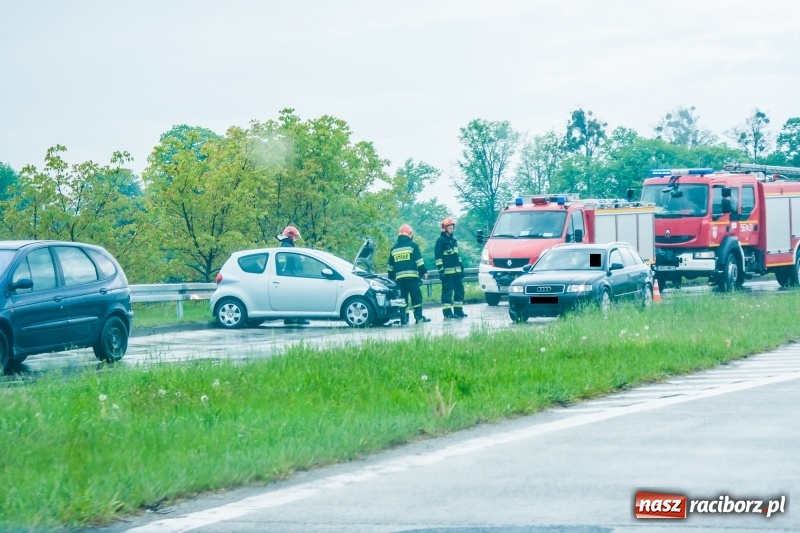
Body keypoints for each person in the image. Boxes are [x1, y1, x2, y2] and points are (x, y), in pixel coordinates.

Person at [387, 224, 431, 324]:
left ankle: (404, 319)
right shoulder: (413, 246)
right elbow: (419, 262)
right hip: (412, 279)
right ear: (410, 234)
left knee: (403, 300)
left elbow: (390, 266)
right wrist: (424, 272)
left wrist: (391, 277)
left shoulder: (394, 249)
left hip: (400, 280)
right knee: (416, 298)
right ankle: (418, 318)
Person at [276, 225, 309, 326]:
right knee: (299, 298)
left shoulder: (285, 246)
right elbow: (294, 265)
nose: (295, 240)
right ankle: (300, 318)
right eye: (295, 237)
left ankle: (289, 318)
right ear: (291, 236)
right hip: (292, 276)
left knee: (290, 298)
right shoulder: (288, 248)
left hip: (287, 276)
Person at [435, 217, 467, 319]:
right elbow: (438, 257)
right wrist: (441, 271)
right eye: (450, 227)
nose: (452, 229)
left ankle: (458, 311)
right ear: (445, 228)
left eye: (452, 227)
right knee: (447, 293)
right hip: (447, 274)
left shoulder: (453, 241)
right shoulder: (440, 241)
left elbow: (457, 256)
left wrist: (462, 268)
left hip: (457, 272)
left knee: (460, 291)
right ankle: (447, 312)